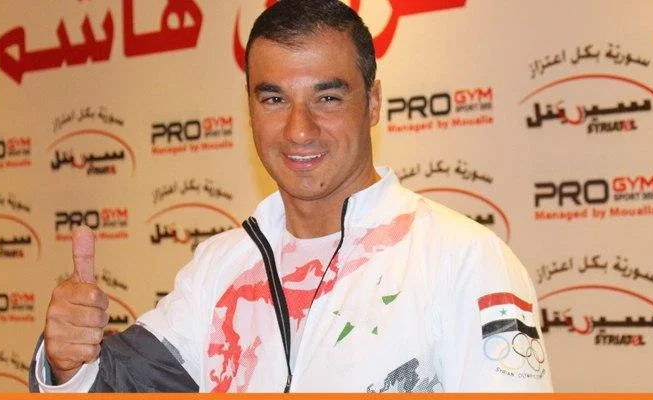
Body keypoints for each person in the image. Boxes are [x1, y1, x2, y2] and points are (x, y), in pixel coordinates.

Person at [30, 0, 553, 392]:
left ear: (372, 103)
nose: (299, 130)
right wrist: (67, 361)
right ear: (249, 109)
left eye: (327, 97)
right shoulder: (222, 266)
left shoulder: (462, 259)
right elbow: (115, 385)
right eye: (274, 99)